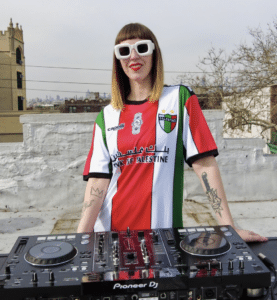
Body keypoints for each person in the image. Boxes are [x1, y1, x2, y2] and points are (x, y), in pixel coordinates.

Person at [77, 23, 267, 243]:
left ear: (154, 52)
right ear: (118, 60)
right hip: (112, 239)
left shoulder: (180, 99)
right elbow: (97, 183)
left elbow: (205, 164)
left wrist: (230, 228)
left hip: (164, 240)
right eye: (124, 51)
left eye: (142, 47)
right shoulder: (107, 116)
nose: (133, 56)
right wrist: (79, 240)